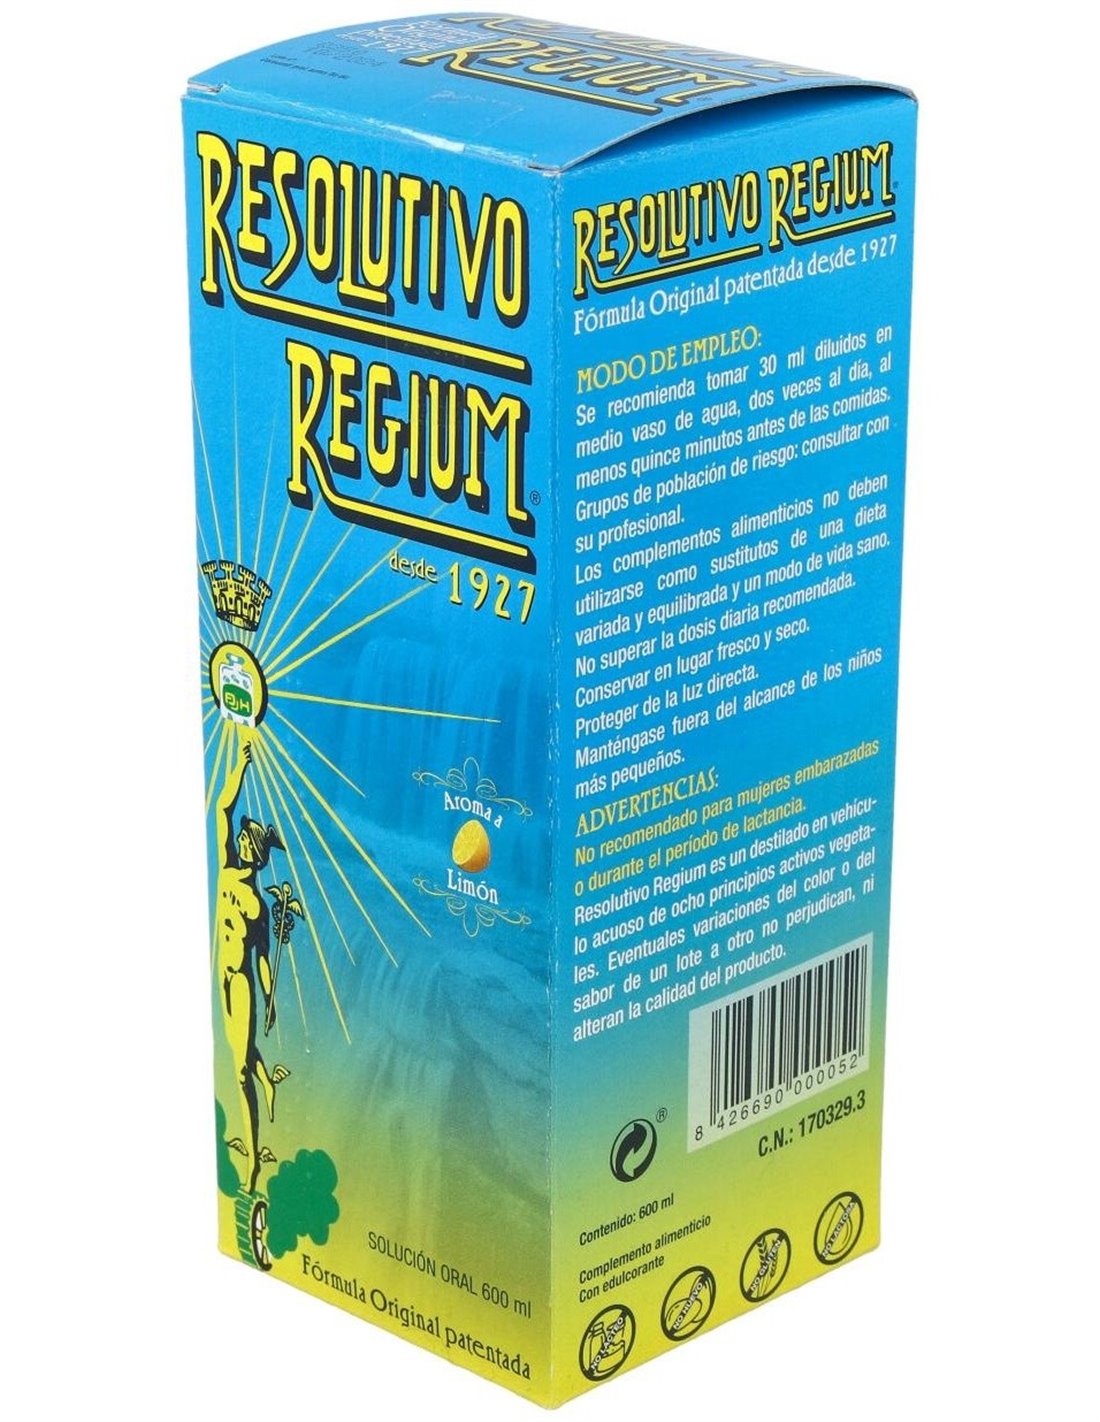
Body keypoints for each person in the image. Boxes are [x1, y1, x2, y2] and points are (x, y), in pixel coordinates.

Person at [215, 733, 289, 1194]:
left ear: (257, 855)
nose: (241, 840)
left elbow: (261, 959)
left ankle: (254, 1168)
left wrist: (269, 996)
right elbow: (223, 809)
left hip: (240, 983)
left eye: (247, 840)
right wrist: (239, 767)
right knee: (237, 1056)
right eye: (242, 837)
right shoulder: (225, 866)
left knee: (239, 1070)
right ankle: (268, 1081)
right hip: (220, 977)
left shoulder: (257, 906)